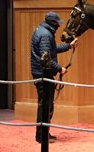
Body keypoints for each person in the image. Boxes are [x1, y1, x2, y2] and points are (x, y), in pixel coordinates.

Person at [30, 11, 78, 144]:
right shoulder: (45, 35)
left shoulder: (42, 31)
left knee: (45, 104)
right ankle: (41, 136)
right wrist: (60, 68)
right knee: (45, 105)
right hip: (43, 75)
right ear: (53, 23)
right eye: (57, 23)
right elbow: (46, 58)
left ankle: (44, 133)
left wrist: (69, 46)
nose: (58, 25)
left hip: (40, 73)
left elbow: (51, 50)